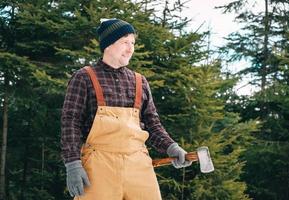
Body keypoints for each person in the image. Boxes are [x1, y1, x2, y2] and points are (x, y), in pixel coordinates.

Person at [61, 18, 192, 200]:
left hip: (138, 165)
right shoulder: (84, 77)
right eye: (125, 42)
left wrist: (172, 147)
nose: (130, 48)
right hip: (98, 166)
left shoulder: (140, 81)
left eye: (132, 43)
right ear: (108, 45)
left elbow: (152, 124)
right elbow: (70, 122)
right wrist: (73, 164)